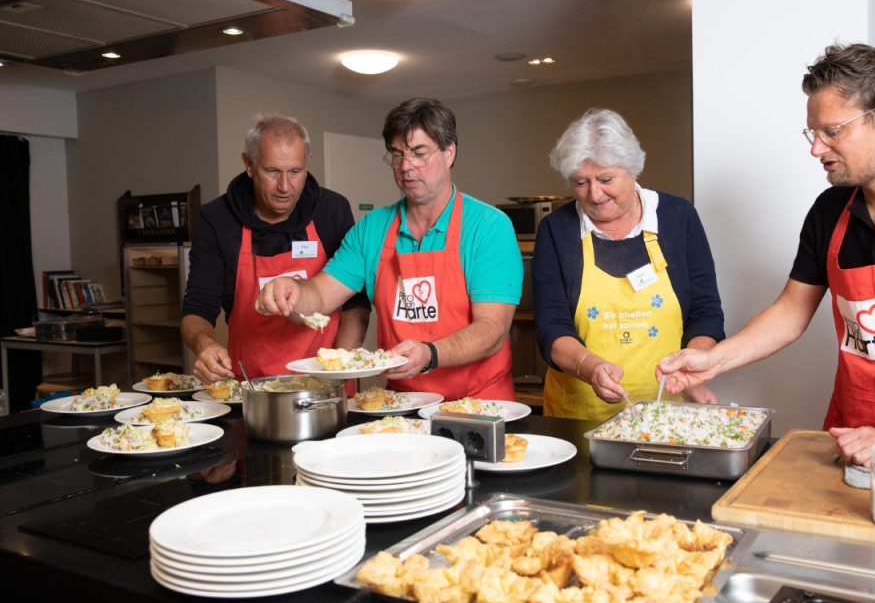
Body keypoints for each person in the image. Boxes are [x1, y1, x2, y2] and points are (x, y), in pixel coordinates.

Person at [657, 44, 875, 464]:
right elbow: (791, 310)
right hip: (855, 437)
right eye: (813, 133)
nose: (816, 149)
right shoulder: (830, 211)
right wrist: (715, 358)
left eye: (832, 131)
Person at [255, 98, 522, 400]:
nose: (406, 167)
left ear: (449, 153)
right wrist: (291, 291)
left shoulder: (488, 227)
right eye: (396, 155)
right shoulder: (373, 229)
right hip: (402, 404)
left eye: (419, 153)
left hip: (479, 403)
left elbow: (492, 330)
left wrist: (430, 354)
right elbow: (320, 294)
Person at [533, 108, 725, 421]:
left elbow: (705, 313)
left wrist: (692, 368)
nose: (594, 194)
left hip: (668, 411)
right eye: (581, 182)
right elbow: (551, 327)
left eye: (606, 179)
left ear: (633, 169)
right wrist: (591, 369)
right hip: (579, 416)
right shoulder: (557, 229)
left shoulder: (678, 217)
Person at [181, 114, 370, 383]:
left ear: (308, 163)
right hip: (249, 386)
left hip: (326, 383)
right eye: (271, 171)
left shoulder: (332, 210)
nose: (284, 187)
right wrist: (203, 344)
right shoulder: (217, 218)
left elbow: (356, 303)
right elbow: (197, 307)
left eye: (295, 172)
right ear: (249, 164)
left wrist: (339, 370)